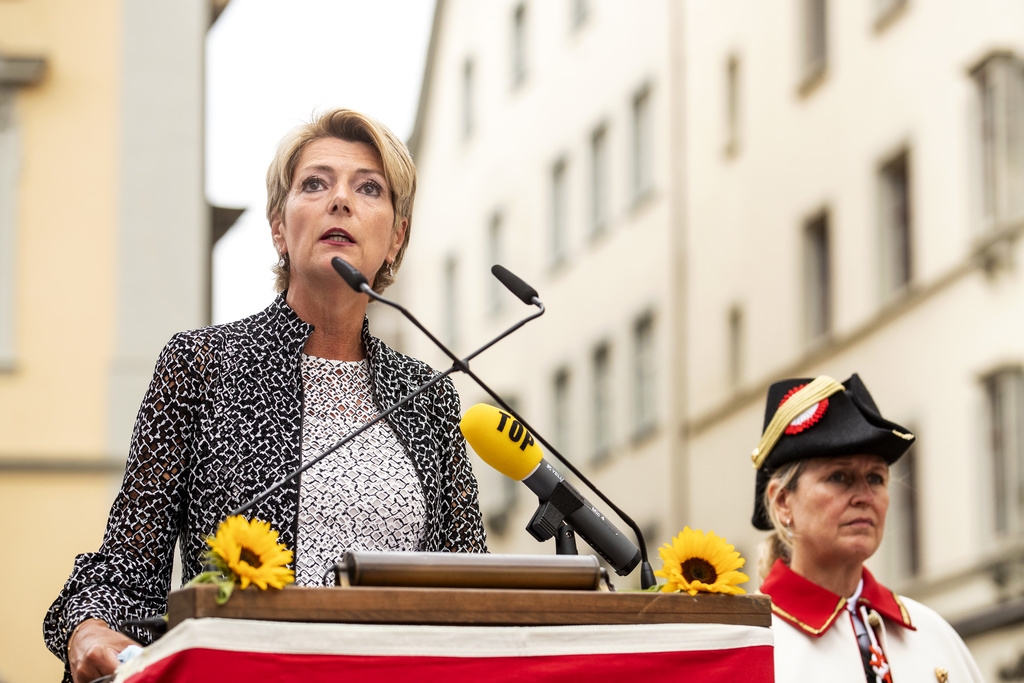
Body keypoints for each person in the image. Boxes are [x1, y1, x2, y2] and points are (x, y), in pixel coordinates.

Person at [43, 108, 488, 683]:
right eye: (315, 183)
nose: (341, 200)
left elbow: (474, 586)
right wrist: (88, 626)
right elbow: (127, 567)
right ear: (280, 227)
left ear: (396, 237)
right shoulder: (204, 366)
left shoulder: (424, 395)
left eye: (368, 188)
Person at [751, 374, 983, 682]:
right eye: (839, 477)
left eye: (876, 478)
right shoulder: (752, 646)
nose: (865, 497)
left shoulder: (934, 635)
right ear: (782, 501)